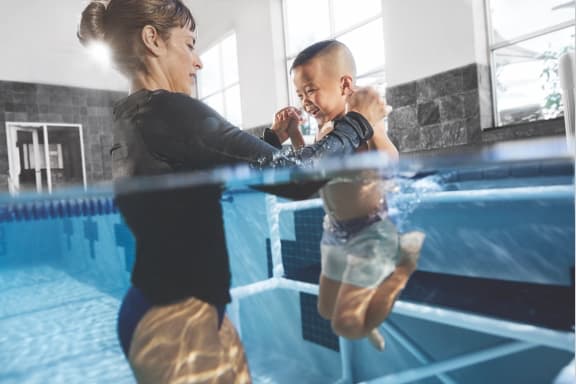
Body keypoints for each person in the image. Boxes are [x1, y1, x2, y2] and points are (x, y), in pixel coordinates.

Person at [77, 1, 387, 383]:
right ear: (152, 39)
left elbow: (215, 164)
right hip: (176, 321)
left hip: (162, 307)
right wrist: (358, 121)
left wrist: (271, 140)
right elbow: (296, 180)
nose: (198, 62)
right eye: (190, 44)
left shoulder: (132, 115)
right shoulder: (169, 110)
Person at [276, 40, 425, 351]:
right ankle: (363, 319)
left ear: (344, 84)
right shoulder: (324, 129)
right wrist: (293, 135)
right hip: (334, 231)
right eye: (300, 94)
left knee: (345, 325)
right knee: (326, 310)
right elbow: (312, 172)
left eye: (311, 90)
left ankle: (403, 267)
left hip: (369, 234)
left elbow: (391, 161)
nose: (305, 101)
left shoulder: (360, 124)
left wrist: (374, 127)